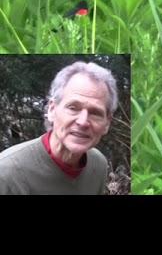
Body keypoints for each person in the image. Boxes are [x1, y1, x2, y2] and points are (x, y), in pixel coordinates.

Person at [0, 61, 118, 195]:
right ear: (52, 110)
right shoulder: (7, 174)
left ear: (107, 123)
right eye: (73, 108)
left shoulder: (98, 165)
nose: (83, 122)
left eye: (95, 113)